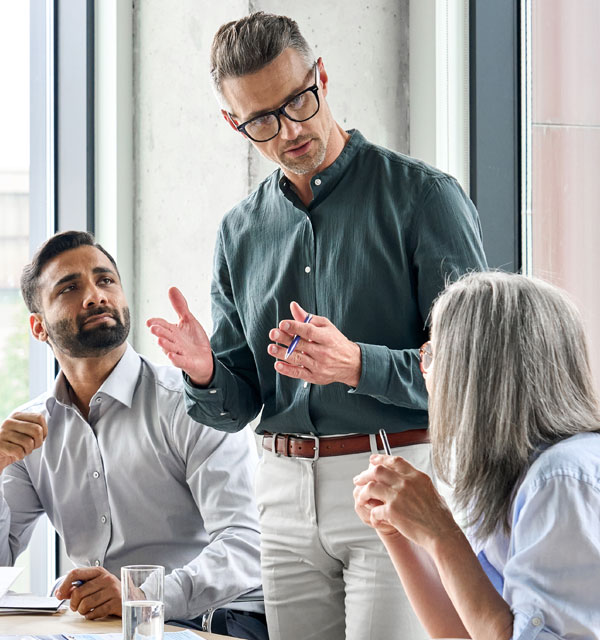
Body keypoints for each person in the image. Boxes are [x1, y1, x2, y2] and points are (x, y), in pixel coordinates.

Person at [147, 12, 487, 640]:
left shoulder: (424, 198)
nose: (290, 129)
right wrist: (203, 372)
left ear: (321, 76)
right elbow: (239, 401)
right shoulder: (239, 232)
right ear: (235, 124)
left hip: (396, 476)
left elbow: (475, 376)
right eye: (262, 120)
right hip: (279, 495)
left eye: (298, 101)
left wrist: (356, 363)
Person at [0, 231, 267, 640]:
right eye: (70, 288)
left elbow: (247, 543)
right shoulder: (30, 430)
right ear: (39, 328)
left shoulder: (190, 404)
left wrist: (141, 596)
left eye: (105, 281)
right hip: (106, 630)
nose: (95, 296)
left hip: (214, 620)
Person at [354, 271, 600, 639]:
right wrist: (395, 530)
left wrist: (441, 530)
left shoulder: (561, 479)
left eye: (432, 353)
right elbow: (463, 632)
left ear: (473, 373)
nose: (425, 371)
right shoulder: (504, 474)